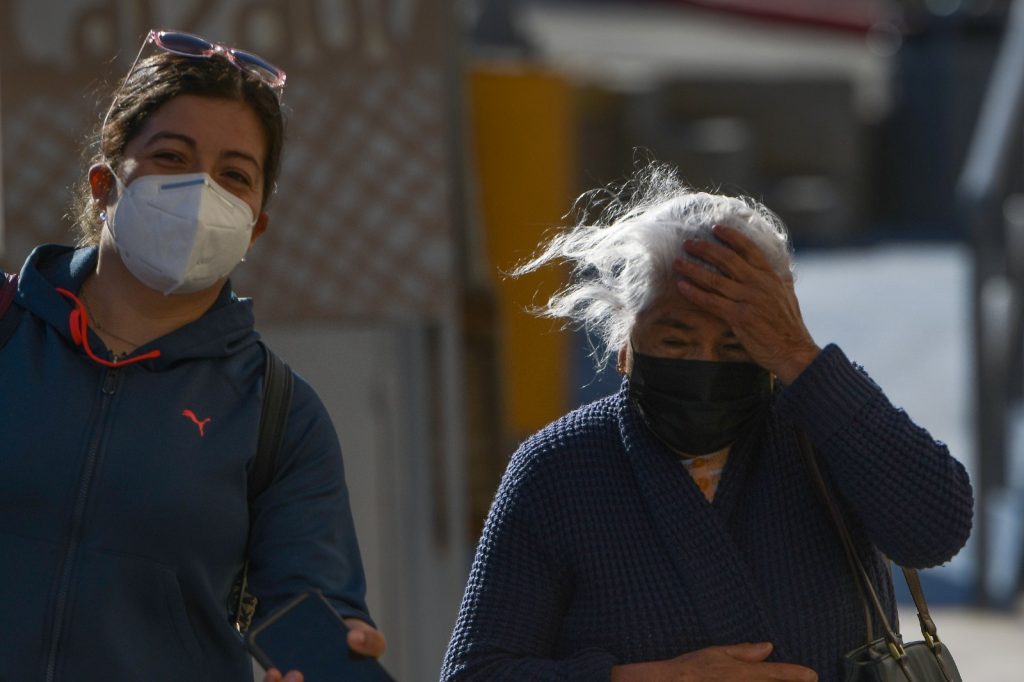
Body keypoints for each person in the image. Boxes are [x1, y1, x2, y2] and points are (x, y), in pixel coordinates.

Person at [441, 163, 973, 682]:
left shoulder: (823, 426)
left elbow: (936, 531)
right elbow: (475, 671)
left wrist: (800, 356)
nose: (705, 364)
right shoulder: (559, 466)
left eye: (735, 344)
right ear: (626, 345)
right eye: (675, 341)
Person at [0, 30, 384, 682]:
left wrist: (338, 654)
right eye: (172, 157)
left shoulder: (279, 415)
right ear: (103, 183)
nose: (201, 191)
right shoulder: (7, 330)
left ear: (256, 223)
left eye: (235, 175)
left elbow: (316, 608)